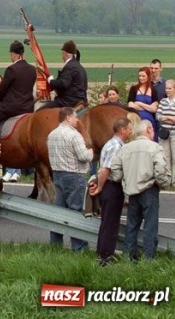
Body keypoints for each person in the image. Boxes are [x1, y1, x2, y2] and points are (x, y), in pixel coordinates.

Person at [110, 119, 171, 261]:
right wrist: (162, 183)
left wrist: (121, 179)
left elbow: (115, 168)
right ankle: (149, 260)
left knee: (132, 226)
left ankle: (128, 257)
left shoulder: (125, 148)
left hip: (132, 191)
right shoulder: (155, 147)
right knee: (150, 228)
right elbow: (161, 170)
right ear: (149, 129)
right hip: (149, 189)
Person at [47, 107, 93, 252]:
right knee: (75, 211)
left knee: (59, 211)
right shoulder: (74, 135)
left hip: (57, 174)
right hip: (74, 174)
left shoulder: (51, 134)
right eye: (75, 117)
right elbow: (83, 156)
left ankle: (55, 245)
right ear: (68, 118)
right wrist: (91, 152)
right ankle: (78, 247)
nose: (77, 120)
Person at [89, 114, 132, 266]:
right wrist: (100, 187)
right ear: (122, 130)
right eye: (129, 129)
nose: (130, 132)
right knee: (110, 223)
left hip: (109, 186)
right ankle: (105, 257)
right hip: (111, 187)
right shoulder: (115, 146)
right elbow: (106, 169)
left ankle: (102, 252)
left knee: (107, 222)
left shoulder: (112, 143)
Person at [0, 41, 37, 142]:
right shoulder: (32, 69)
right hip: (28, 107)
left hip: (12, 107)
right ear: (23, 54)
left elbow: (2, 89)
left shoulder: (11, 69)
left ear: (13, 54)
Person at [42, 40, 88, 109]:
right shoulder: (80, 66)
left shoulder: (70, 66)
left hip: (68, 101)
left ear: (64, 53)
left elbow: (63, 84)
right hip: (81, 99)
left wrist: (51, 81)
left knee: (41, 111)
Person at [157, 79, 175, 186]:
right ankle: (167, 179)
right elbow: (158, 116)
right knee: (165, 157)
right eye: (166, 88)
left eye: (169, 88)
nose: (167, 90)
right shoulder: (163, 101)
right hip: (164, 134)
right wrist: (170, 117)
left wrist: (165, 117)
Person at [127, 66, 159, 141]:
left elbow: (154, 109)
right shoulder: (134, 89)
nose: (141, 78)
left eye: (143, 76)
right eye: (140, 76)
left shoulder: (153, 90)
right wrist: (148, 107)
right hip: (136, 120)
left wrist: (140, 104)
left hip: (149, 120)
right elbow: (130, 104)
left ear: (148, 76)